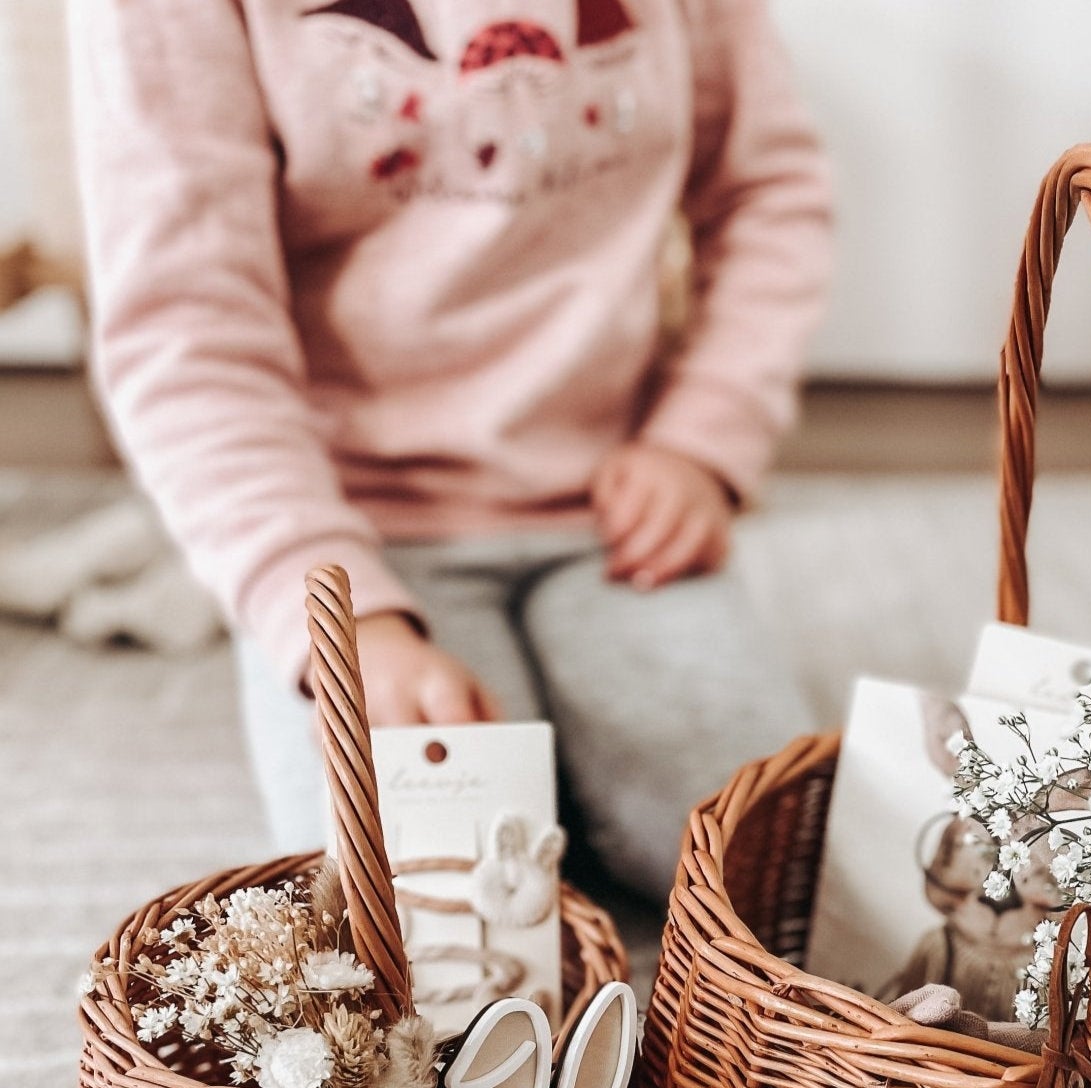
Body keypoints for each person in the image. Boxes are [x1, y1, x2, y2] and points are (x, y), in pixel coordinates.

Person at [69, 0, 833, 898]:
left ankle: (573, 780)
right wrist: (338, 612)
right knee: (420, 919)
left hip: (614, 517)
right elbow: (187, 326)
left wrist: (703, 438)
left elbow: (769, 192)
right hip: (353, 534)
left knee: (781, 869)